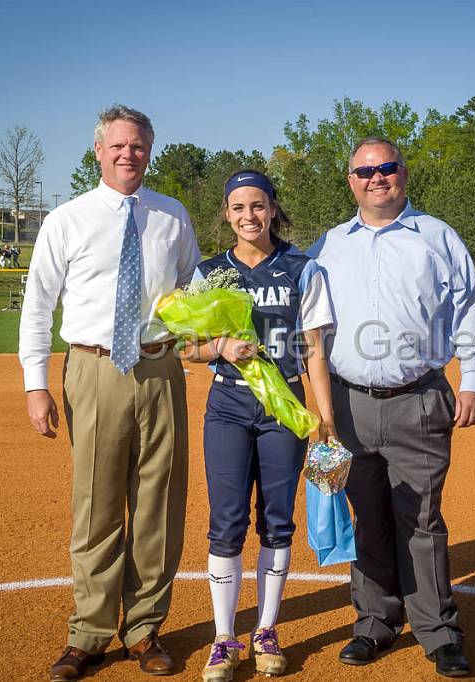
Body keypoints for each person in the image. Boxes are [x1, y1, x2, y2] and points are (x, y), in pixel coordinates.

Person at [19, 105, 200, 682]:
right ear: (98, 151)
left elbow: (194, 289)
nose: (129, 155)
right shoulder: (67, 219)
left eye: (140, 146)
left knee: (159, 505)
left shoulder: (171, 216)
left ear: (150, 149)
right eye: (118, 146)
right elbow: (39, 306)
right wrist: (35, 384)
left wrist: (208, 344)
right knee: (97, 505)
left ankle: (145, 628)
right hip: (93, 369)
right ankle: (90, 634)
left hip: (161, 367)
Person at [309, 137, 475, 679]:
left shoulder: (436, 236)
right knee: (367, 518)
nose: (376, 178)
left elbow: (470, 308)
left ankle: (438, 632)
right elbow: (308, 323)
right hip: (348, 404)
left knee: (423, 520)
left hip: (420, 397)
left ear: (403, 174)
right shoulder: (328, 245)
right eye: (365, 171)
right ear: (351, 181)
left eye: (386, 168)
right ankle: (374, 624)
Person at [182, 170, 336, 682]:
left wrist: (325, 418)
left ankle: (267, 630)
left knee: (277, 520)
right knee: (226, 523)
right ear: (226, 214)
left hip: (284, 409)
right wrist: (221, 347)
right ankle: (224, 639)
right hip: (228, 404)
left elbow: (314, 350)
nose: (249, 216)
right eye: (238, 207)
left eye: (258, 206)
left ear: (272, 209)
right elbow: (186, 347)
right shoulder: (210, 274)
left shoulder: (302, 268)